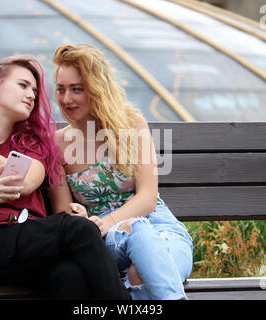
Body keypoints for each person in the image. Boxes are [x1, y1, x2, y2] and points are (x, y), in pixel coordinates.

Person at [0, 54, 129, 300]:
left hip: (30, 245)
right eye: (23, 85)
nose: (32, 95)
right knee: (80, 229)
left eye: (35, 89)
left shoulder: (30, 144)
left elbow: (24, 180)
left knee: (70, 275)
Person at [49, 44, 193, 300]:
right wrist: (79, 216)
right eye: (61, 89)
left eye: (76, 89)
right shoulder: (57, 144)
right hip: (110, 241)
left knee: (141, 270)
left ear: (96, 89)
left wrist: (108, 221)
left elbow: (148, 198)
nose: (66, 99)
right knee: (136, 233)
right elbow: (62, 211)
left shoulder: (131, 125)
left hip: (164, 230)